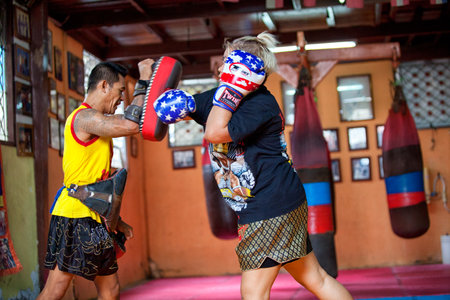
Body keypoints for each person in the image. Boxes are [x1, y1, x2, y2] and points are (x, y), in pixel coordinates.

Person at [154, 33, 353, 300]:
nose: (221, 68)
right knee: (314, 277)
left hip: (269, 204)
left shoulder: (261, 104)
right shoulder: (221, 95)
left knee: (253, 292)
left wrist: (231, 88)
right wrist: (182, 103)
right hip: (278, 201)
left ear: (243, 66)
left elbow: (214, 132)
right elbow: (189, 107)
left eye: (228, 61)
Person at [37, 58, 154, 300]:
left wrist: (116, 219)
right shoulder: (85, 118)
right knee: (56, 290)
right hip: (74, 214)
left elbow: (94, 179)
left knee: (109, 290)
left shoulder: (99, 123)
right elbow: (132, 124)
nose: (122, 99)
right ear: (103, 86)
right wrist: (143, 80)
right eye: (121, 91)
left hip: (95, 214)